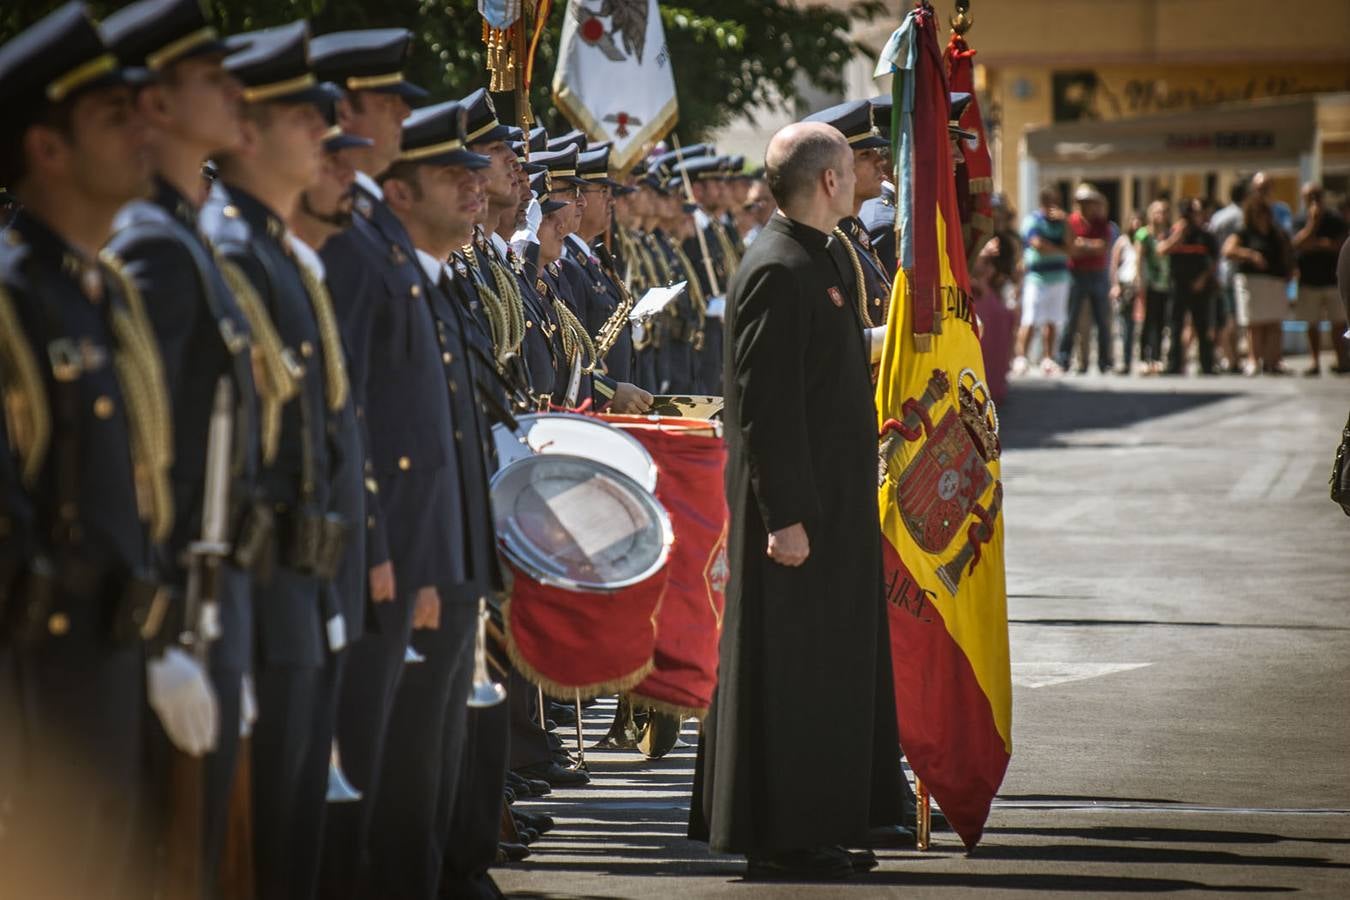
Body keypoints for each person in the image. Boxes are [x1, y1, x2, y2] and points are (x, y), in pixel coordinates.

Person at [689, 121, 905, 881]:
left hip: (831, 508)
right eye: (852, 168)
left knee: (824, 670)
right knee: (793, 673)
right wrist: (785, 515)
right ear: (828, 182)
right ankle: (783, 838)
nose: (862, 178)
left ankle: (818, 823)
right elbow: (765, 405)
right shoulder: (781, 265)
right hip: (797, 515)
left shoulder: (818, 256)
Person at [100, 1, 274, 890]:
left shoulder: (182, 237)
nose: (235, 92)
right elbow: (140, 459)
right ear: (157, 105)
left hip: (216, 598)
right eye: (211, 79)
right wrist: (168, 630)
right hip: (179, 609)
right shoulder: (154, 246)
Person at [0, 5, 173, 896]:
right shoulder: (15, 301)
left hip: (107, 670)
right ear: (49, 149)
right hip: (37, 700)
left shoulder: (94, 293)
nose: (146, 129)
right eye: (114, 116)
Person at [199, 23, 348, 898]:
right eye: (306, 118)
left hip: (298, 574)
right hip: (254, 582)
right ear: (247, 134)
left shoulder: (269, 251)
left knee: (291, 831)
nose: (325, 139)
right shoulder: (232, 250)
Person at [1223, 193, 1294, 376]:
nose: (1263, 216)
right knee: (1255, 324)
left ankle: (1273, 361)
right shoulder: (1244, 232)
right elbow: (1228, 250)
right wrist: (1251, 255)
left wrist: (1289, 272)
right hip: (1252, 282)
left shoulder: (1276, 233)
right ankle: (1253, 360)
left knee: (1274, 323)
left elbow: (1288, 253)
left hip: (1274, 281)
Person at [1012, 187, 1070, 376]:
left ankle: (1048, 358)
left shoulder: (1063, 221)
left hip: (1059, 278)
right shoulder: (1032, 220)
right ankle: (1021, 358)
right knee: (1029, 319)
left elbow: (1072, 245)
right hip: (1036, 278)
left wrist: (1066, 223)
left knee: (1052, 320)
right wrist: (1060, 248)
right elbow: (1037, 244)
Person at [1292, 182, 1349, 374]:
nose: (1314, 200)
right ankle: (1314, 362)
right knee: (1311, 323)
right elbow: (1298, 244)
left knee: (1339, 323)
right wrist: (1312, 225)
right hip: (1309, 280)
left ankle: (1341, 360)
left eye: (1316, 195)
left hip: (1333, 281)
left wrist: (1315, 244)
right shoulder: (1300, 219)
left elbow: (1340, 246)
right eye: (1309, 196)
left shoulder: (1335, 219)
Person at [1057, 184, 1113, 374]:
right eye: (1082, 202)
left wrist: (1083, 245)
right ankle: (1064, 358)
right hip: (1077, 274)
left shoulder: (1101, 223)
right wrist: (1088, 246)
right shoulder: (1071, 221)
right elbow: (1070, 248)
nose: (1086, 206)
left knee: (1102, 320)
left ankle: (1105, 361)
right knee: (1072, 319)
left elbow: (1103, 247)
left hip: (1097, 274)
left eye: (1089, 202)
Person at [1209, 182, 1247, 373]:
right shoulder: (1242, 216)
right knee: (1232, 318)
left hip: (1220, 272)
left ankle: (1230, 358)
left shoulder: (1218, 217)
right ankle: (1232, 359)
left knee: (1227, 317)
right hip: (1235, 273)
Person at [1135, 200, 1171, 374]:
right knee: (1147, 321)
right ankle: (1144, 357)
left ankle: (1157, 358)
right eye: (1157, 212)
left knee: (1161, 321)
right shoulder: (1144, 234)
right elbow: (1138, 258)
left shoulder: (1169, 235)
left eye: (1164, 212)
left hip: (1165, 283)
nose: (1161, 215)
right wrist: (1139, 280)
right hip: (1149, 283)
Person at [1110, 212, 1142, 374]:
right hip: (1125, 285)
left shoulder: (1143, 240)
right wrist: (1115, 285)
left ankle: (1138, 360)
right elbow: (1114, 265)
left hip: (1140, 285)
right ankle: (1123, 360)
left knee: (1137, 325)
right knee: (1124, 324)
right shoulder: (1122, 241)